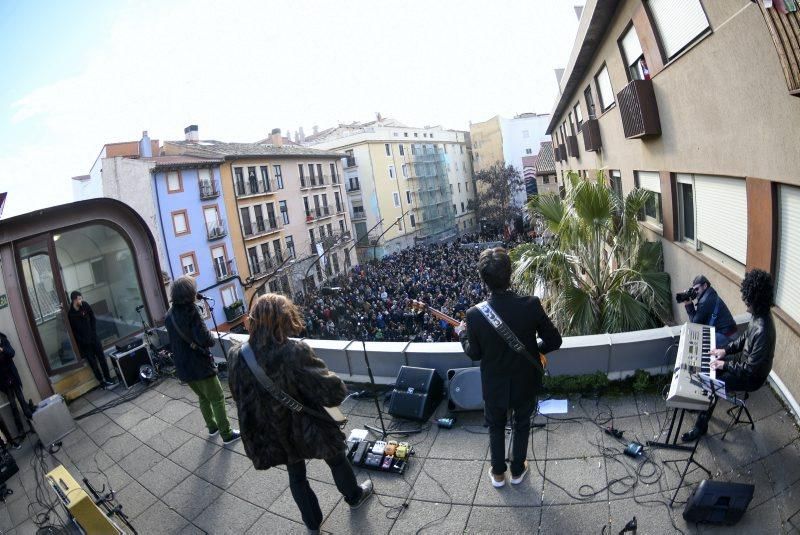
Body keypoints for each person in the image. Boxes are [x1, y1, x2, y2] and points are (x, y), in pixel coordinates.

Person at [228, 294, 372, 534]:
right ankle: (354, 497)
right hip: (308, 425)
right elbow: (332, 393)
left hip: (272, 430)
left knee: (296, 475)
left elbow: (238, 396)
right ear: (285, 319)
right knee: (336, 457)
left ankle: (312, 524)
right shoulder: (293, 351)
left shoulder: (236, 354)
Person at [457, 247, 562, 488]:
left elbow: (474, 353)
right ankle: (517, 471)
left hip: (494, 383)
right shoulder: (531, 304)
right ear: (510, 274)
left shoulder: (474, 315)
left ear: (484, 279)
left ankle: (497, 474)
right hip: (525, 379)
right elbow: (554, 341)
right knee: (522, 423)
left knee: (495, 426)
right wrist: (535, 351)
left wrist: (462, 335)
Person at [682, 269, 776, 442]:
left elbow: (749, 371)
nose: (745, 303)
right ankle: (700, 403)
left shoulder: (763, 330)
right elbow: (743, 339)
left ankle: (700, 427)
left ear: (757, 300)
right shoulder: (758, 316)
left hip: (752, 378)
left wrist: (724, 365)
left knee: (712, 382)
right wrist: (724, 351)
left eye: (748, 300)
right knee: (711, 365)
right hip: (744, 364)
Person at [165, 276, 239, 444]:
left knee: (203, 397)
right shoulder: (192, 311)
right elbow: (205, 339)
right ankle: (226, 434)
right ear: (189, 293)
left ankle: (212, 427)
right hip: (199, 364)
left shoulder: (169, 314)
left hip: (183, 367)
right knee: (218, 398)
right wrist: (211, 339)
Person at [67, 291, 116, 388]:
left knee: (101, 358)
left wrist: (93, 331)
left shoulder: (84, 305)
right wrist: (82, 340)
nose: (81, 300)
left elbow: (93, 317)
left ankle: (108, 378)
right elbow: (73, 332)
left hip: (93, 338)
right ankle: (101, 382)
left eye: (81, 298)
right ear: (74, 300)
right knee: (93, 363)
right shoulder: (70, 314)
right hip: (84, 343)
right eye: (79, 298)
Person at [684, 275, 738, 348]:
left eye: (697, 289)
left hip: (727, 337)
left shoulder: (705, 301)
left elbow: (695, 324)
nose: (695, 292)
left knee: (699, 343)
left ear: (705, 285)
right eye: (694, 290)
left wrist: (689, 305)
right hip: (731, 333)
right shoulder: (710, 295)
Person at [0, 332, 33, 440]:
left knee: (22, 400)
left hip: (12, 376)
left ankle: (32, 424)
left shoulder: (3, 339)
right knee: (13, 406)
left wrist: (2, 349)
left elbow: (12, 353)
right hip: (3, 380)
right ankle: (21, 430)